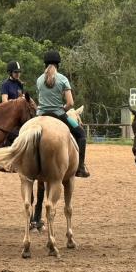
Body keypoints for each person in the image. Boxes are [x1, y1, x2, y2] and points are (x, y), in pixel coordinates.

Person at [35, 50, 90, 178]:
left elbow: (40, 99)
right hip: (59, 115)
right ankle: (80, 167)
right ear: (58, 64)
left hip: (40, 115)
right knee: (81, 134)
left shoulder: (39, 80)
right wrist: (62, 110)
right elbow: (70, 103)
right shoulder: (63, 79)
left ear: (45, 64)